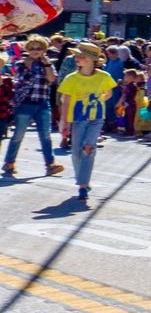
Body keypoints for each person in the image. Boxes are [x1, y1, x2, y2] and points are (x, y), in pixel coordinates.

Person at [57, 43, 115, 207]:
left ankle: (83, 185)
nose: (77, 58)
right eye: (76, 55)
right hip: (77, 119)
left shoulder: (103, 76)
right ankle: (82, 179)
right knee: (76, 151)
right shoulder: (72, 78)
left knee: (88, 147)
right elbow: (65, 100)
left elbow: (109, 93)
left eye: (81, 56)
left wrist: (97, 101)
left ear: (92, 59)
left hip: (96, 118)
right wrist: (64, 122)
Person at [3, 36, 63, 179]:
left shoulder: (48, 63)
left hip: (42, 103)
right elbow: (22, 81)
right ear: (27, 49)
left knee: (46, 136)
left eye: (39, 48)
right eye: (32, 48)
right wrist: (29, 67)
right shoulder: (20, 63)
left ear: (44, 49)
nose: (35, 51)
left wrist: (47, 65)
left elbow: (52, 80)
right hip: (25, 103)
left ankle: (50, 164)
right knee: (18, 135)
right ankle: (9, 162)